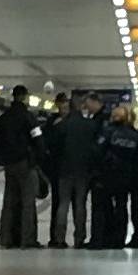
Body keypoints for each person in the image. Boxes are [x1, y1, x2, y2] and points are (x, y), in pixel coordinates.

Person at [98, 103, 138, 249]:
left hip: (115, 176)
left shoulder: (108, 134)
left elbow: (99, 153)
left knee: (118, 206)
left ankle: (116, 238)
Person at [0, 85, 43, 249]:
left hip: (9, 163)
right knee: (28, 202)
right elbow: (37, 137)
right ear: (24, 97)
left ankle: (6, 238)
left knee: (9, 201)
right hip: (25, 162)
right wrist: (39, 155)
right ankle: (26, 239)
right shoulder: (28, 117)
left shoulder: (4, 118)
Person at [49, 92, 99, 249]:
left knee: (63, 204)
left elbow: (53, 147)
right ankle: (79, 238)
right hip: (83, 171)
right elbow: (94, 149)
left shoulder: (61, 126)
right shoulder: (90, 126)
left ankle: (59, 238)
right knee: (80, 204)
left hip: (64, 170)